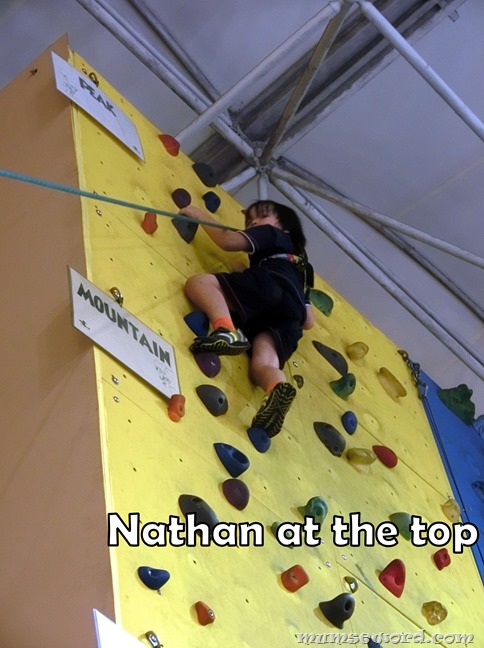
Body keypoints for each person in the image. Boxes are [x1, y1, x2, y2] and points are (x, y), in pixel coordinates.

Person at [180, 199, 315, 438]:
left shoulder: (272, 234)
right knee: (263, 364)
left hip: (269, 285)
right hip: (291, 316)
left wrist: (196, 212)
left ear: (285, 227)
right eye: (249, 221)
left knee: (199, 284)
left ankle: (225, 329)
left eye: (260, 217)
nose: (253, 223)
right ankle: (276, 387)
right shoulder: (305, 270)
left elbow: (227, 241)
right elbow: (309, 321)